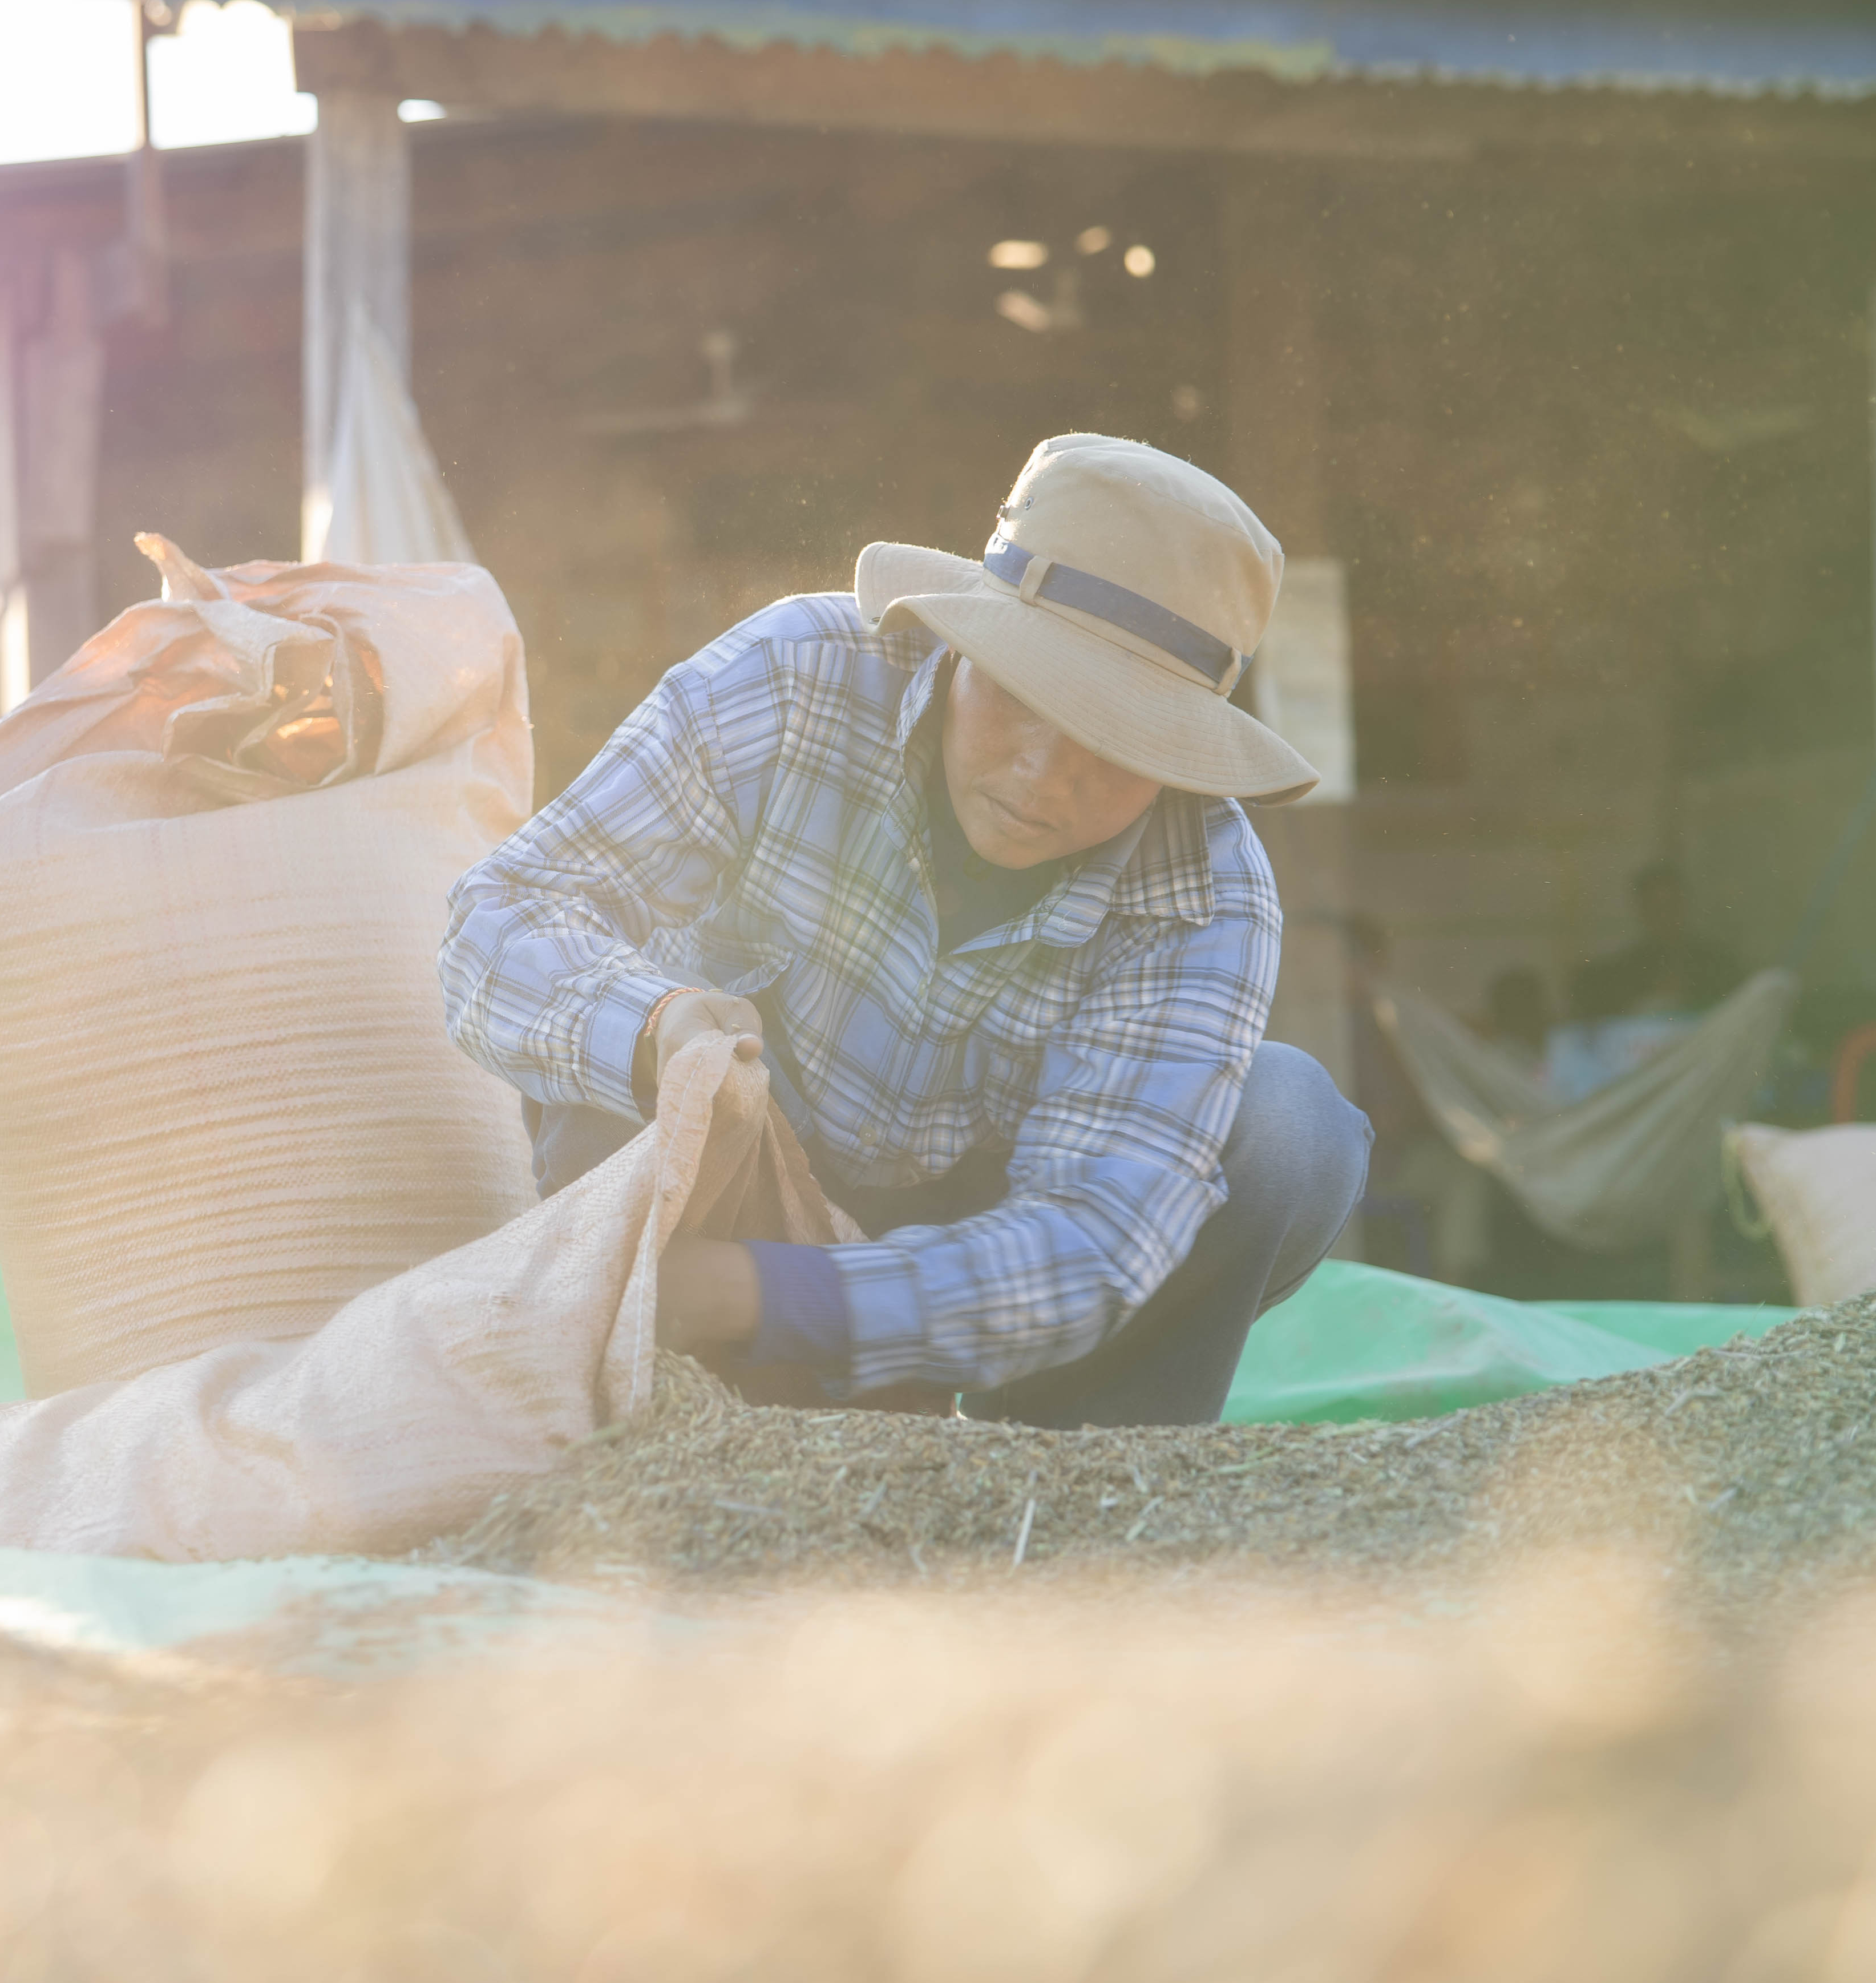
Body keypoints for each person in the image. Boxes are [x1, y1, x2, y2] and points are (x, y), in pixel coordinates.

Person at [435, 433, 1372, 1428]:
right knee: (622, 1045)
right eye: (1016, 698)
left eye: (1114, 746)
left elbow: (1098, 1234)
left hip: (987, 1230)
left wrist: (758, 1294)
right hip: (731, 1172)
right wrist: (657, 1024)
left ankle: (1073, 1473)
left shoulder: (1207, 892)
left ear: (1180, 757)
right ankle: (650, 1409)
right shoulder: (793, 678)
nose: (1039, 775)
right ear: (963, 644)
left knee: (1288, 1127)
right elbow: (503, 917)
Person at [1567, 861, 1745, 1022]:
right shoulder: (1622, 971)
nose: (1664, 916)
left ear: (1685, 905)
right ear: (1640, 910)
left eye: (1671, 905)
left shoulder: (1719, 963)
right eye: (1655, 907)